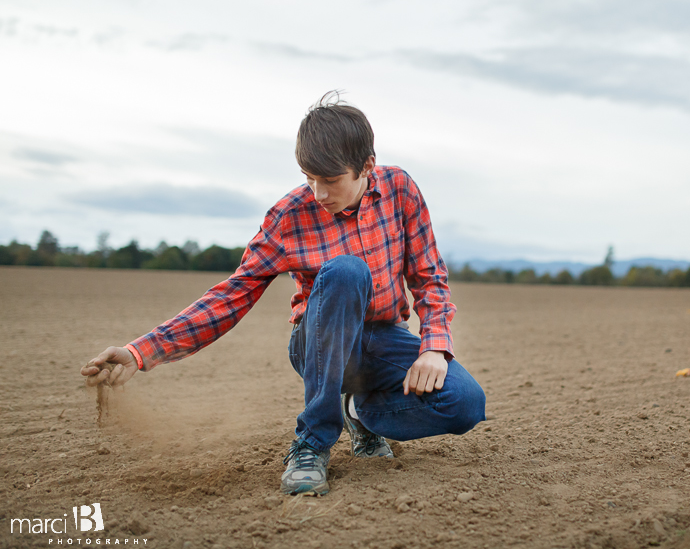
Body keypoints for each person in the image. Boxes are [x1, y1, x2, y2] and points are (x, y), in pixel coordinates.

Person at [81, 92, 486, 496]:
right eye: (309, 178)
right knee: (347, 271)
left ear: (367, 166)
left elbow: (429, 276)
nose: (318, 194)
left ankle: (361, 413)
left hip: (382, 339)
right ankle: (311, 443)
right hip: (317, 344)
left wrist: (434, 346)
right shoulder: (289, 216)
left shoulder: (400, 189)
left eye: (330, 181)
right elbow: (232, 294)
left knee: (465, 402)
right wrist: (141, 351)